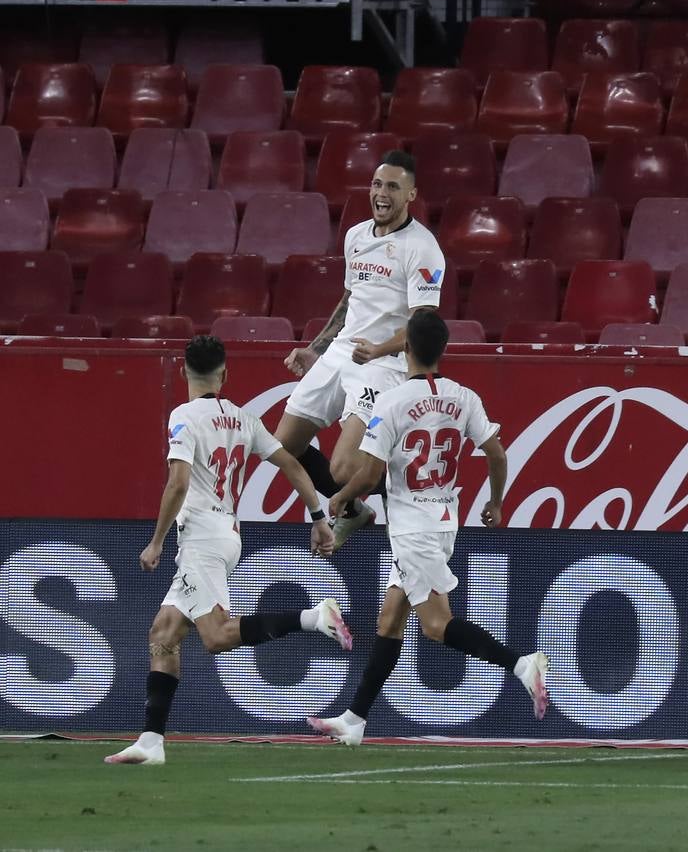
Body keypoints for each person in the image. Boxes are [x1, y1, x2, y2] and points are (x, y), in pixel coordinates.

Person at [105, 335, 351, 766]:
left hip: (200, 539)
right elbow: (292, 464)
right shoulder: (243, 419)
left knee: (216, 636)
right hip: (226, 535)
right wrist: (318, 517)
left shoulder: (183, 416)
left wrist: (157, 540)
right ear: (225, 373)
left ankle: (314, 618)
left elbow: (178, 483)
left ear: (183, 371)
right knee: (164, 633)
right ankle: (151, 741)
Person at [307, 310, 549, 745]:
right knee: (390, 619)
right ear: (442, 349)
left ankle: (520, 664)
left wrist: (341, 498)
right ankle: (355, 719)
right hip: (443, 520)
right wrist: (494, 502)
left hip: (413, 529)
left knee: (436, 626)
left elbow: (367, 472)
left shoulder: (393, 401)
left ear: (405, 348)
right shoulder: (465, 397)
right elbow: (496, 454)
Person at [274, 149, 446, 550]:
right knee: (282, 447)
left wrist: (379, 349)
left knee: (345, 466)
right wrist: (316, 349)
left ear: (411, 195)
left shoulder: (423, 247)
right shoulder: (355, 236)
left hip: (383, 364)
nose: (381, 193)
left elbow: (425, 324)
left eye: (392, 187)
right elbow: (351, 298)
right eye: (376, 184)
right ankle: (355, 512)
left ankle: (407, 497)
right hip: (341, 352)